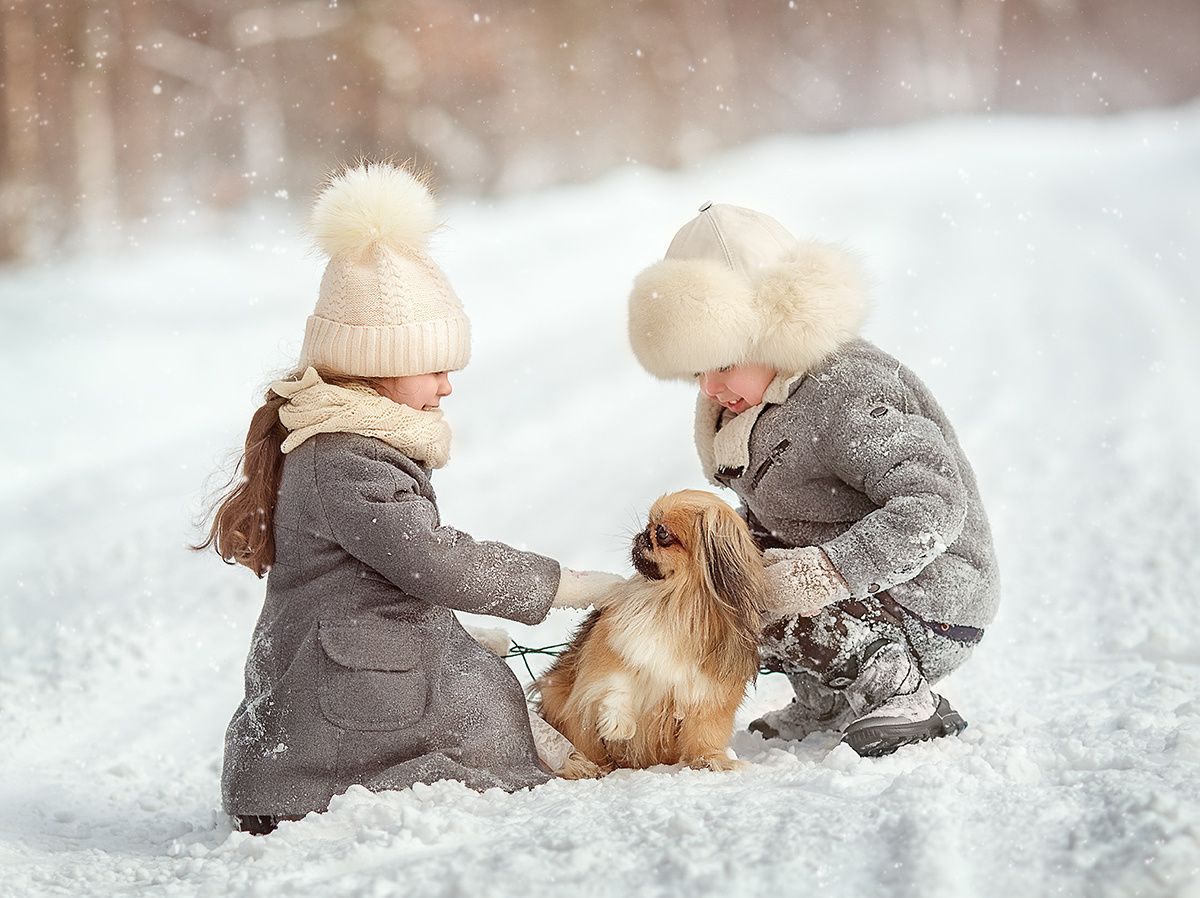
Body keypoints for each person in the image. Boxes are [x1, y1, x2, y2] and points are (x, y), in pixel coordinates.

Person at [197, 162, 615, 834]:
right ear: (377, 366)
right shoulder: (344, 458)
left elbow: (375, 576)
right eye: (434, 367)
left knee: (477, 675)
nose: (447, 387)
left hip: (339, 666)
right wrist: (562, 584)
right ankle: (321, 786)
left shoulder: (344, 442)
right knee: (484, 711)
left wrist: (445, 634)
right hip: (334, 710)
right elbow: (431, 560)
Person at [626, 202, 1000, 757]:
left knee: (762, 591)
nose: (708, 387)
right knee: (726, 579)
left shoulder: (846, 391)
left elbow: (934, 504)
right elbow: (780, 518)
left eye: (722, 363)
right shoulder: (751, 409)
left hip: (933, 596)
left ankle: (901, 693)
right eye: (696, 370)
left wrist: (824, 572)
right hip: (871, 594)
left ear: (773, 333)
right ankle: (826, 696)